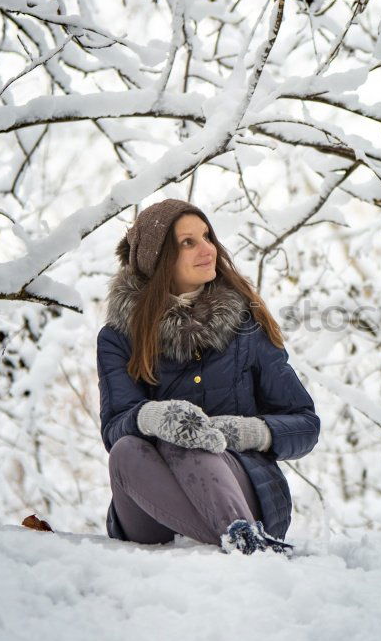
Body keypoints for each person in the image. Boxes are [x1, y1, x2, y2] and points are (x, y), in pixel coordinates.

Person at [96, 198, 320, 555]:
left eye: (207, 237)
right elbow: (114, 428)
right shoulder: (118, 338)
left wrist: (249, 432)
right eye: (188, 242)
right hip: (153, 505)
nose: (208, 249)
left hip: (243, 489)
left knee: (185, 440)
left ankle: (243, 537)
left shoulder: (246, 327)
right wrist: (152, 417)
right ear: (158, 260)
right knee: (127, 449)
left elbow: (306, 425)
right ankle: (238, 542)